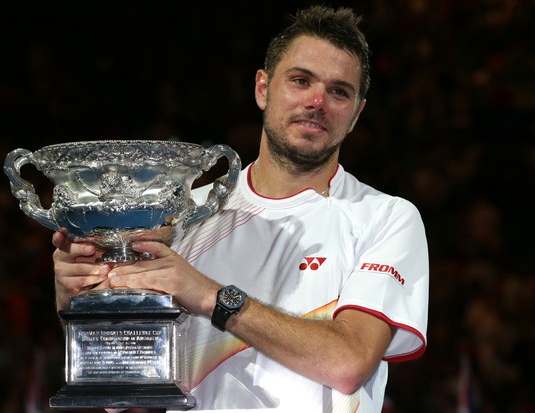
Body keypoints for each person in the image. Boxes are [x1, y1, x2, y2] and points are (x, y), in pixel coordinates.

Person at [52, 5, 429, 412]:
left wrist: (212, 297)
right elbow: (121, 382)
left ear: (356, 114)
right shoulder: (179, 212)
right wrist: (76, 298)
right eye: (301, 81)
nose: (318, 101)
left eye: (339, 91)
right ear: (262, 89)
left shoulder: (385, 216)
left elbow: (349, 361)